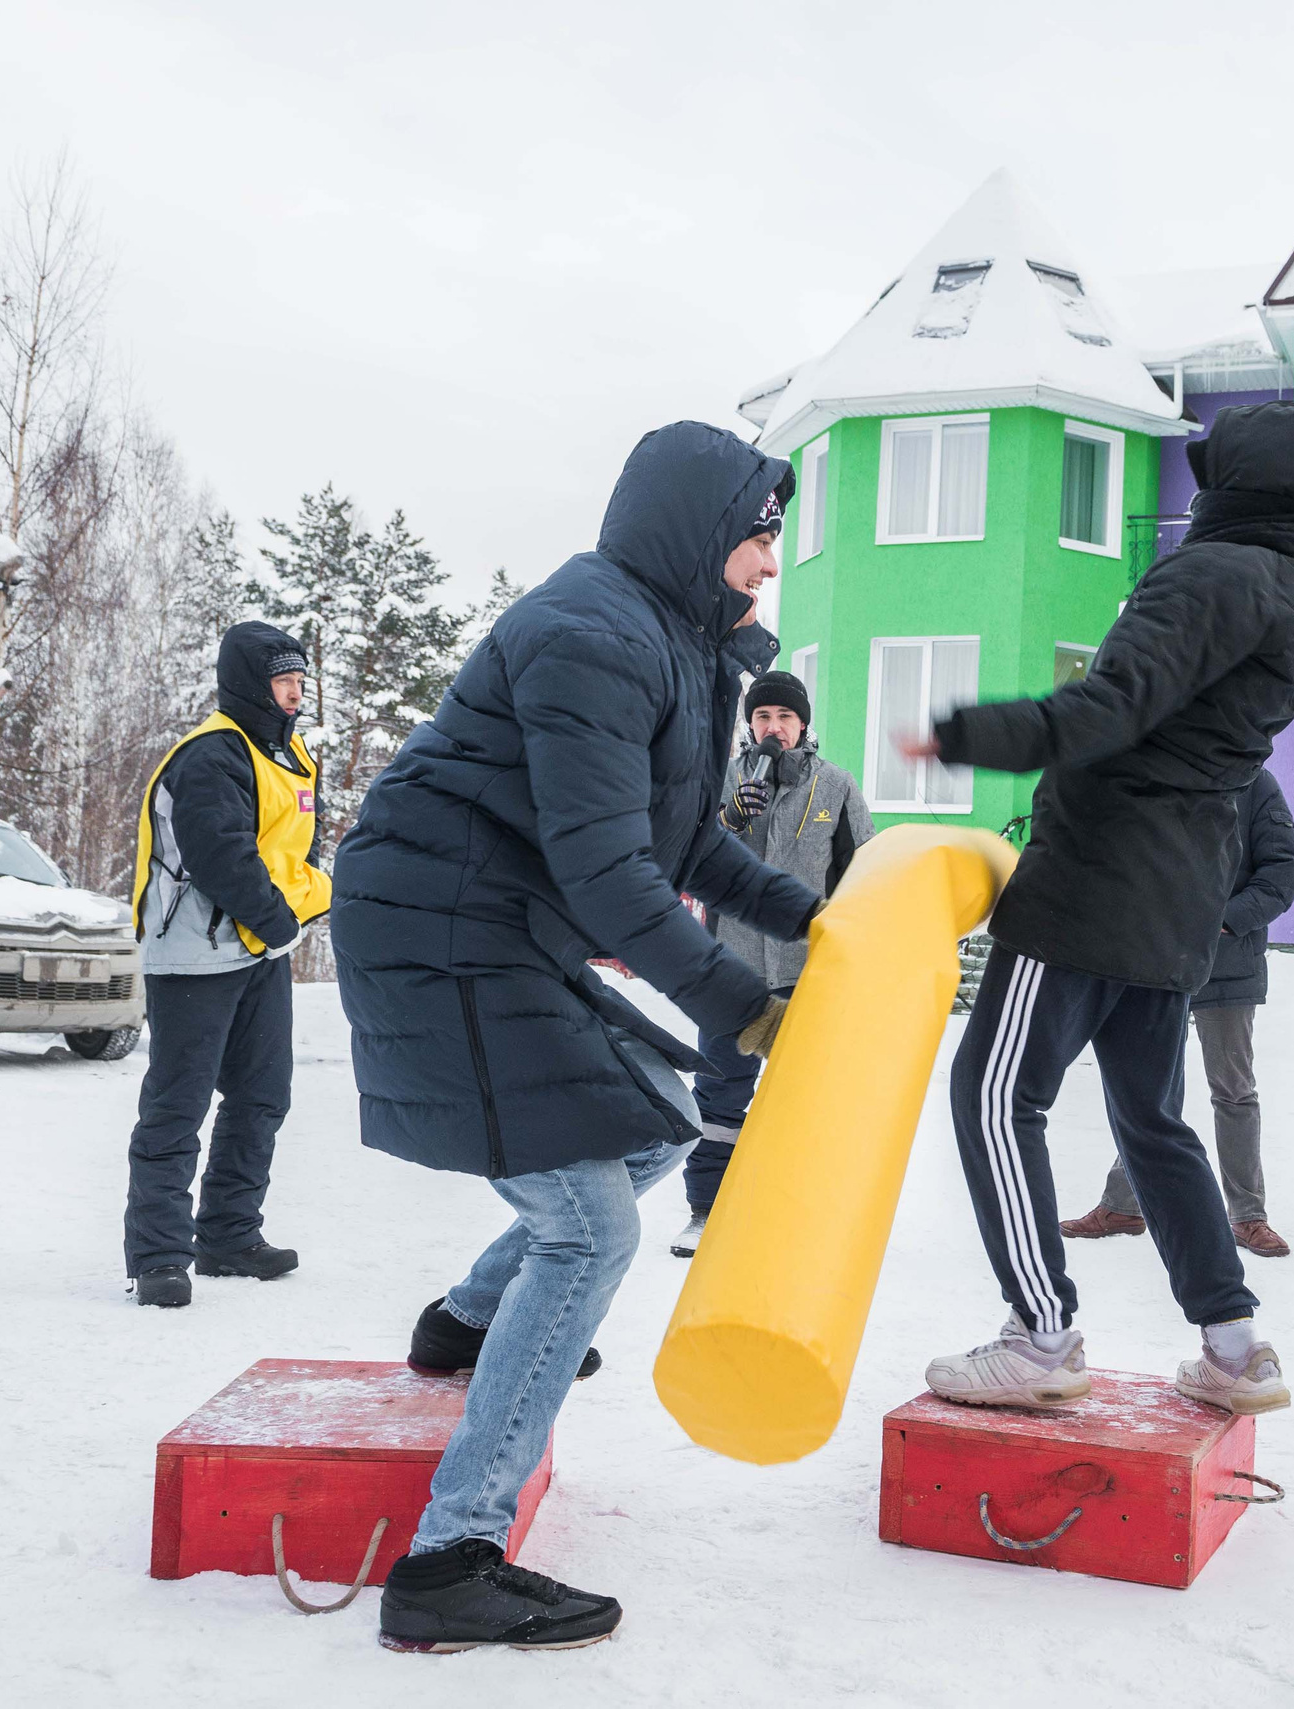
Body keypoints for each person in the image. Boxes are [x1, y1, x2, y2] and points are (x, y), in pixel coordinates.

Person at [331, 421, 817, 1655]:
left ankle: (462, 1322)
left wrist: (812, 918)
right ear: (702, 528)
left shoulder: (674, 644)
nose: (771, 560)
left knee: (651, 1119)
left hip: (494, 918)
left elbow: (684, 845)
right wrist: (746, 1007)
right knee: (589, 1222)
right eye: (761, 534)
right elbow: (612, 880)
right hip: (435, 919)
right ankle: (450, 1556)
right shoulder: (590, 634)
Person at [905, 389, 1294, 1418]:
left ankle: (1039, 1331)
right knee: (1152, 1121)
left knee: (992, 1097)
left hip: (1089, 886)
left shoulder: (1204, 575)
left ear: (1227, 488)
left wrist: (966, 733)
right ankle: (1235, 1345)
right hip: (1182, 899)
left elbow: (1106, 710)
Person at [121, 621, 328, 1308]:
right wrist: (278, 922)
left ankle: (229, 1234)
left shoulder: (290, 756)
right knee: (176, 1107)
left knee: (263, 1094)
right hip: (193, 956)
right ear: (250, 682)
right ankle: (158, 1256)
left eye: (301, 681)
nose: (297, 693)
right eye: (285, 680)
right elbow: (221, 855)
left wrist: (296, 914)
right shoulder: (212, 754)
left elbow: (295, 857)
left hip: (258, 950)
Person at [1062, 767, 1294, 1258]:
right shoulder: (1160, 775)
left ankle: (1248, 1216)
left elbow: (1283, 872)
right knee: (1148, 1093)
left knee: (1233, 1090)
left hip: (1226, 965)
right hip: (1155, 962)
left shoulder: (1255, 783)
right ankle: (1125, 1204)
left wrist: (1222, 923)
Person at [672, 667, 873, 1256]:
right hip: (728, 969)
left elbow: (863, 871)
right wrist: (727, 819)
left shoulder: (835, 786)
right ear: (749, 724)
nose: (774, 726)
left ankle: (795, 1209)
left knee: (805, 1095)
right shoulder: (721, 780)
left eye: (785, 716)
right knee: (718, 1096)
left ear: (803, 724)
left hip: (808, 971)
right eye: (763, 716)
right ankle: (706, 1211)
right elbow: (679, 856)